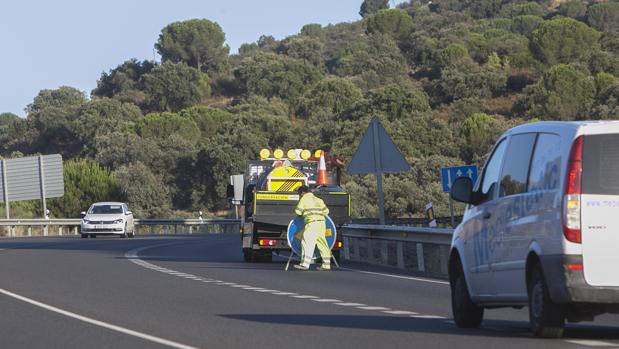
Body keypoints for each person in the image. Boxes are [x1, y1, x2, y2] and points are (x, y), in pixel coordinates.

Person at [293, 185, 332, 271]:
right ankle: (326, 265)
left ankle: (305, 264)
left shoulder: (304, 199)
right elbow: (326, 211)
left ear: (302, 192)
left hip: (312, 223)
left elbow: (298, 211)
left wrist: (304, 213)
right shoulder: (319, 200)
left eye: (299, 194)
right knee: (322, 243)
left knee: (307, 241)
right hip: (321, 223)